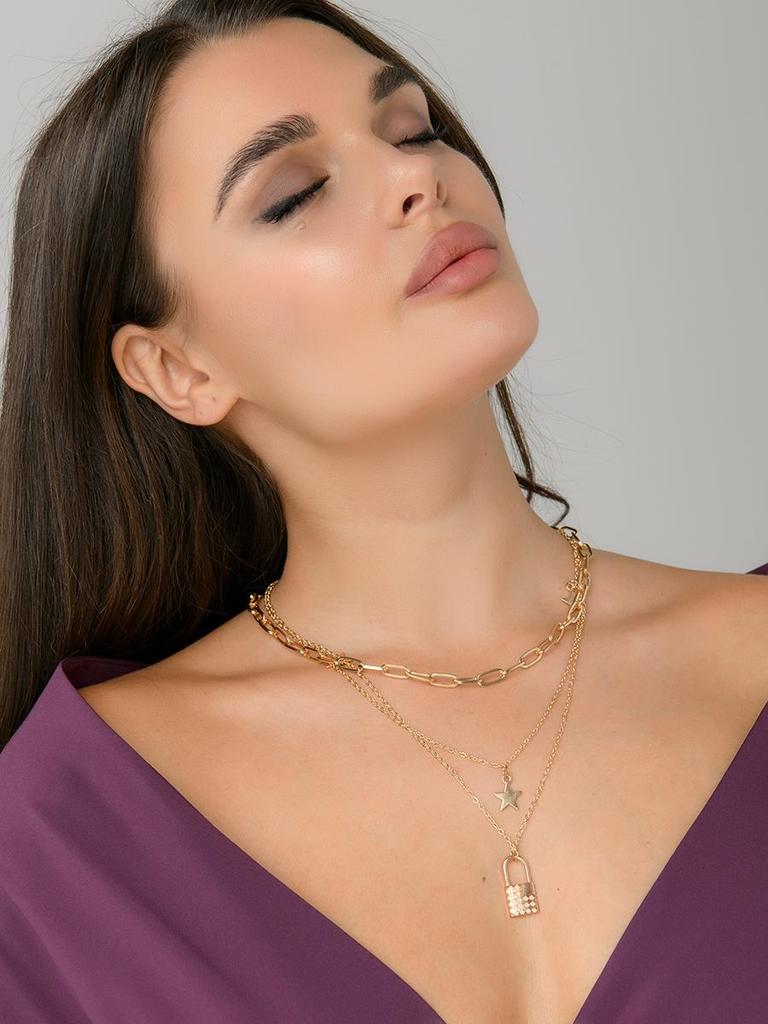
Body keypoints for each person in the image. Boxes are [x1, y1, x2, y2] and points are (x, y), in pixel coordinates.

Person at [0, 2, 766, 1022]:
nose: (420, 179)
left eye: (414, 130)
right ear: (178, 368)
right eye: (296, 194)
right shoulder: (55, 847)